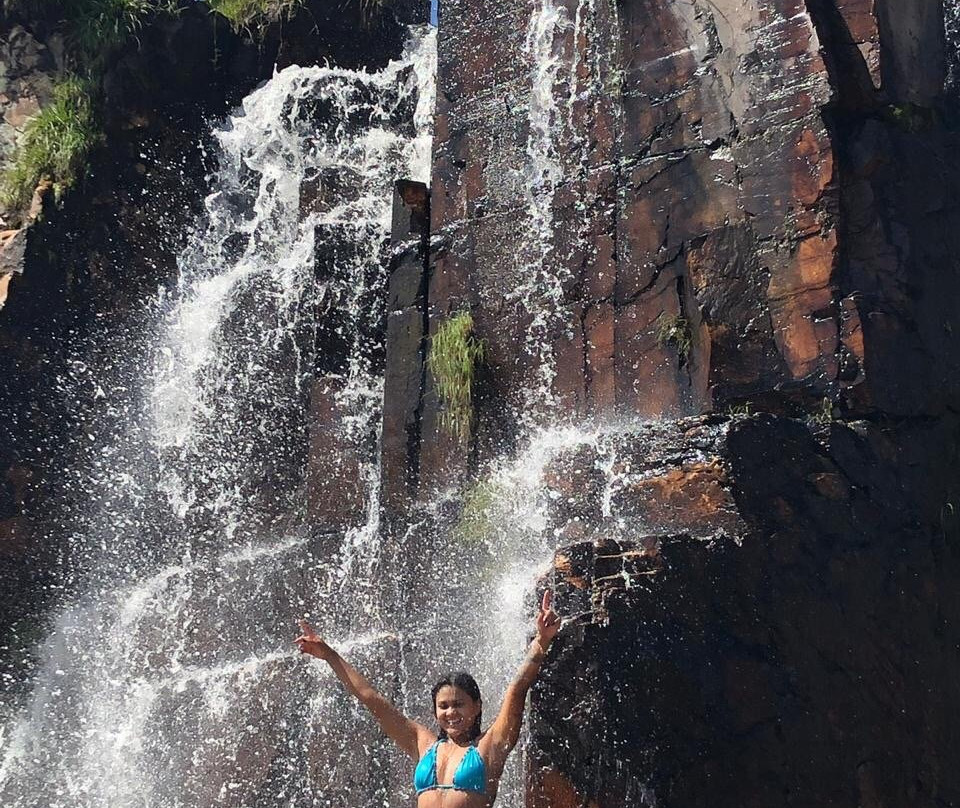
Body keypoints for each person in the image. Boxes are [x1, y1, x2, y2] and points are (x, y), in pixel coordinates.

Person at [294, 590, 562, 807]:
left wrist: (542, 642)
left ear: (477, 706)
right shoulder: (424, 745)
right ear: (435, 712)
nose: (450, 712)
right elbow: (370, 698)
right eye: (443, 706)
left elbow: (517, 689)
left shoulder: (490, 746)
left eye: (458, 704)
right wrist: (328, 654)